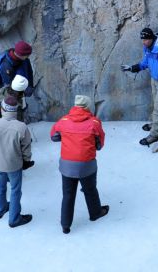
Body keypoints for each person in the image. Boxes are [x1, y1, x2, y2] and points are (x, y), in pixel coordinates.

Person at [50, 95, 109, 234]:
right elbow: (100, 145)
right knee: (90, 189)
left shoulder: (63, 120)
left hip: (67, 166)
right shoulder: (94, 122)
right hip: (86, 165)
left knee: (68, 195)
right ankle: (95, 213)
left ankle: (65, 225)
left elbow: (54, 136)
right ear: (88, 107)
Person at [0, 95, 34, 228]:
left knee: (0, 186)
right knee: (15, 190)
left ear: (3, 109)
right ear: (15, 110)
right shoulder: (21, 127)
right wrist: (26, 160)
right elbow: (26, 148)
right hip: (13, 164)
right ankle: (14, 219)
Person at [122, 27, 158, 146]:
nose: (143, 42)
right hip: (154, 80)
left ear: (151, 38)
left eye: (145, 39)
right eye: (142, 40)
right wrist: (133, 68)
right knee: (156, 105)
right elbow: (145, 62)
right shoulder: (147, 48)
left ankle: (154, 135)